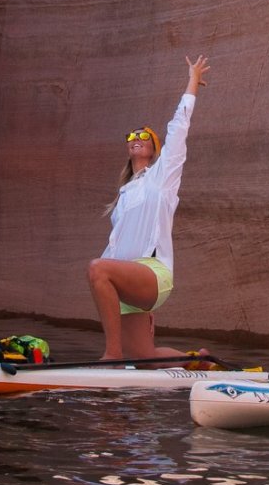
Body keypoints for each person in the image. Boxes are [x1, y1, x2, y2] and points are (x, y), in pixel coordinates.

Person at [87, 53, 209, 360]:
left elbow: (179, 128)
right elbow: (115, 247)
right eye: (131, 136)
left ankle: (112, 357)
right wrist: (132, 294)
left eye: (143, 136)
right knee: (146, 359)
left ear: (154, 149)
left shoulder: (162, 176)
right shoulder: (124, 195)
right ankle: (199, 361)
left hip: (153, 273)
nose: (136, 138)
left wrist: (192, 82)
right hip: (130, 282)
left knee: (97, 269)